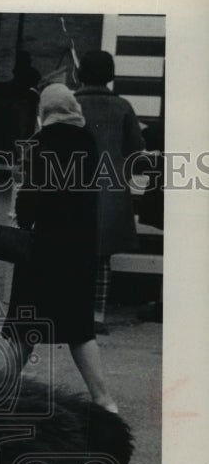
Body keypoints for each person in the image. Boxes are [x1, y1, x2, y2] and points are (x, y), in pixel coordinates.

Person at [2, 83, 118, 413]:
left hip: (44, 248)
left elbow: (29, 201)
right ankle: (103, 398)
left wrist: (22, 220)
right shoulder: (88, 141)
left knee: (28, 326)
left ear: (45, 111)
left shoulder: (40, 144)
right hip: (80, 247)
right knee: (79, 327)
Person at [74, 50, 146, 332]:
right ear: (110, 74)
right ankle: (96, 316)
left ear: (80, 74)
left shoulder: (70, 103)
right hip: (110, 188)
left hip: (71, 186)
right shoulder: (123, 106)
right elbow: (135, 149)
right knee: (102, 257)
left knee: (72, 251)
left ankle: (70, 311)